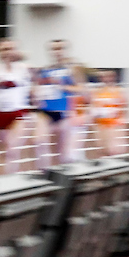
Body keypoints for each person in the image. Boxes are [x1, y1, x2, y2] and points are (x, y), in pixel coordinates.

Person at [32, 39, 86, 169]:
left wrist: (64, 87)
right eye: (54, 49)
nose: (57, 52)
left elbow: (82, 89)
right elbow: (37, 88)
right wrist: (36, 94)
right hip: (46, 112)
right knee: (38, 141)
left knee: (62, 152)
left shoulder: (72, 69)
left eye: (60, 48)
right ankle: (44, 173)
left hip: (64, 113)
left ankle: (63, 176)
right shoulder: (45, 70)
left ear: (66, 50)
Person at [0, 37, 32, 174]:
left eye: (10, 49)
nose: (7, 52)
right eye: (4, 49)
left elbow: (31, 90)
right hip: (0, 113)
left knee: (12, 147)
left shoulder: (23, 69)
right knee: (6, 151)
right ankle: (15, 172)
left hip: (18, 112)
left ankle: (10, 178)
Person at [91, 70, 129, 157]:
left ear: (113, 78)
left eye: (108, 76)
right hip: (101, 124)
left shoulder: (120, 91)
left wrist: (127, 118)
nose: (105, 79)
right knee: (101, 148)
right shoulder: (98, 92)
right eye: (103, 77)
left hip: (114, 125)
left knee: (114, 150)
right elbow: (94, 106)